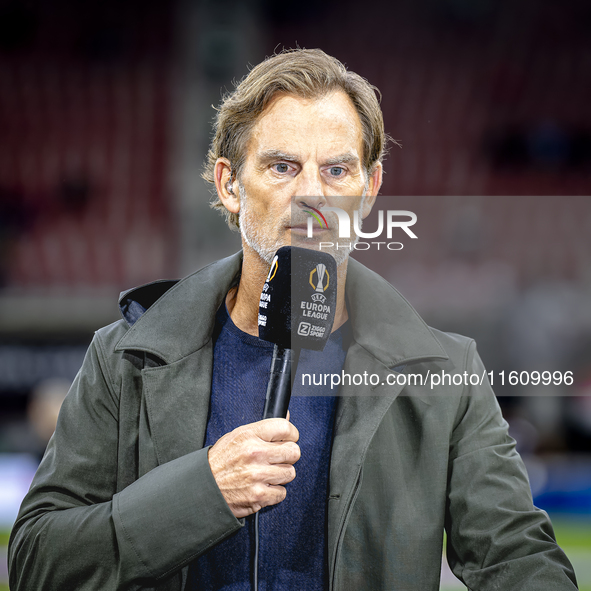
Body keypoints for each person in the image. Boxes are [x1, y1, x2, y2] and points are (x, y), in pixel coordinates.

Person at [8, 49, 578, 591]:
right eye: (282, 167)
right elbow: (37, 561)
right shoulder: (125, 356)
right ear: (231, 185)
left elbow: (517, 555)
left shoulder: (445, 373)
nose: (311, 195)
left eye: (336, 171)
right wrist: (202, 493)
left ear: (369, 189)